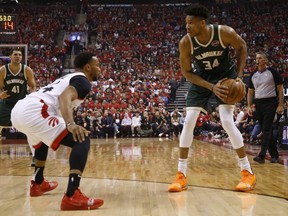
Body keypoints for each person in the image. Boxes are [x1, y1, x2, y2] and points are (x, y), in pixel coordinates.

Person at [168, 4, 256, 193]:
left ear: (202, 23)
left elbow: (242, 47)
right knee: (189, 121)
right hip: (202, 78)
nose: (187, 27)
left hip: (226, 75)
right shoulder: (186, 42)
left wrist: (239, 77)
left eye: (190, 23)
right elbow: (187, 73)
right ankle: (180, 175)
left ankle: (247, 172)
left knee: (226, 120)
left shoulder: (224, 32)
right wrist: (211, 87)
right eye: (186, 23)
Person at [11, 52, 104, 211]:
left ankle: (38, 183)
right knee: (81, 139)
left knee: (41, 142)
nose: (100, 69)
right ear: (88, 67)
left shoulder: (66, 78)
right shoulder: (82, 81)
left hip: (20, 110)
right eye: (97, 65)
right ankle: (72, 194)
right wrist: (70, 123)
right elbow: (64, 97)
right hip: (36, 110)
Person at [0, 47, 37, 166]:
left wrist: (32, 96)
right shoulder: (3, 70)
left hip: (22, 103)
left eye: (20, 55)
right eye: (15, 54)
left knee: (31, 129)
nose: (18, 56)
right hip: (7, 103)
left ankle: (36, 156)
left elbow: (32, 87)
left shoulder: (27, 70)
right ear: (10, 57)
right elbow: (0, 87)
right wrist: (1, 94)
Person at [247, 52, 284, 163]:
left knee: (266, 128)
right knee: (265, 129)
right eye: (256, 58)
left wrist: (281, 104)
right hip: (258, 103)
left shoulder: (273, 72)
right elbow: (250, 92)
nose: (257, 60)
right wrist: (249, 105)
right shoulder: (253, 74)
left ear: (265, 60)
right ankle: (274, 155)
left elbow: (280, 89)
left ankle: (262, 156)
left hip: (271, 102)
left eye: (260, 58)